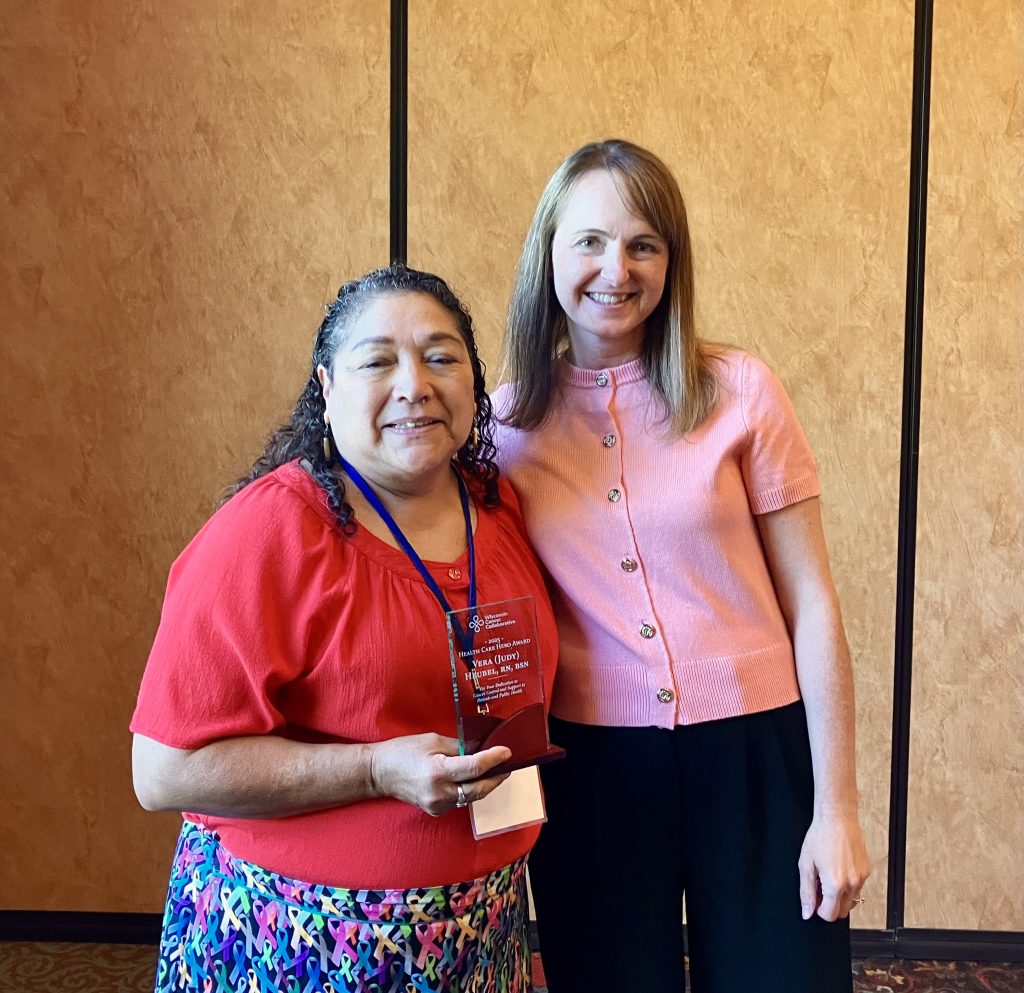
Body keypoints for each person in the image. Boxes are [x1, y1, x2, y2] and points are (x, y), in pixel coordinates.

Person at [492, 140, 871, 993]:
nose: (614, 269)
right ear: (548, 252)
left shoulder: (740, 390)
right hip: (593, 769)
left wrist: (837, 807)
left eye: (642, 244)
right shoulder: (503, 427)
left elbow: (812, 602)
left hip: (756, 757)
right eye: (588, 241)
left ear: (672, 260)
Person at [131, 264, 558, 993]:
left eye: (441, 356)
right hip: (301, 938)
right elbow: (162, 770)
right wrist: (372, 769)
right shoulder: (268, 532)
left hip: (478, 930)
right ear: (327, 389)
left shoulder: (496, 505)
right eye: (378, 360)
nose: (415, 383)